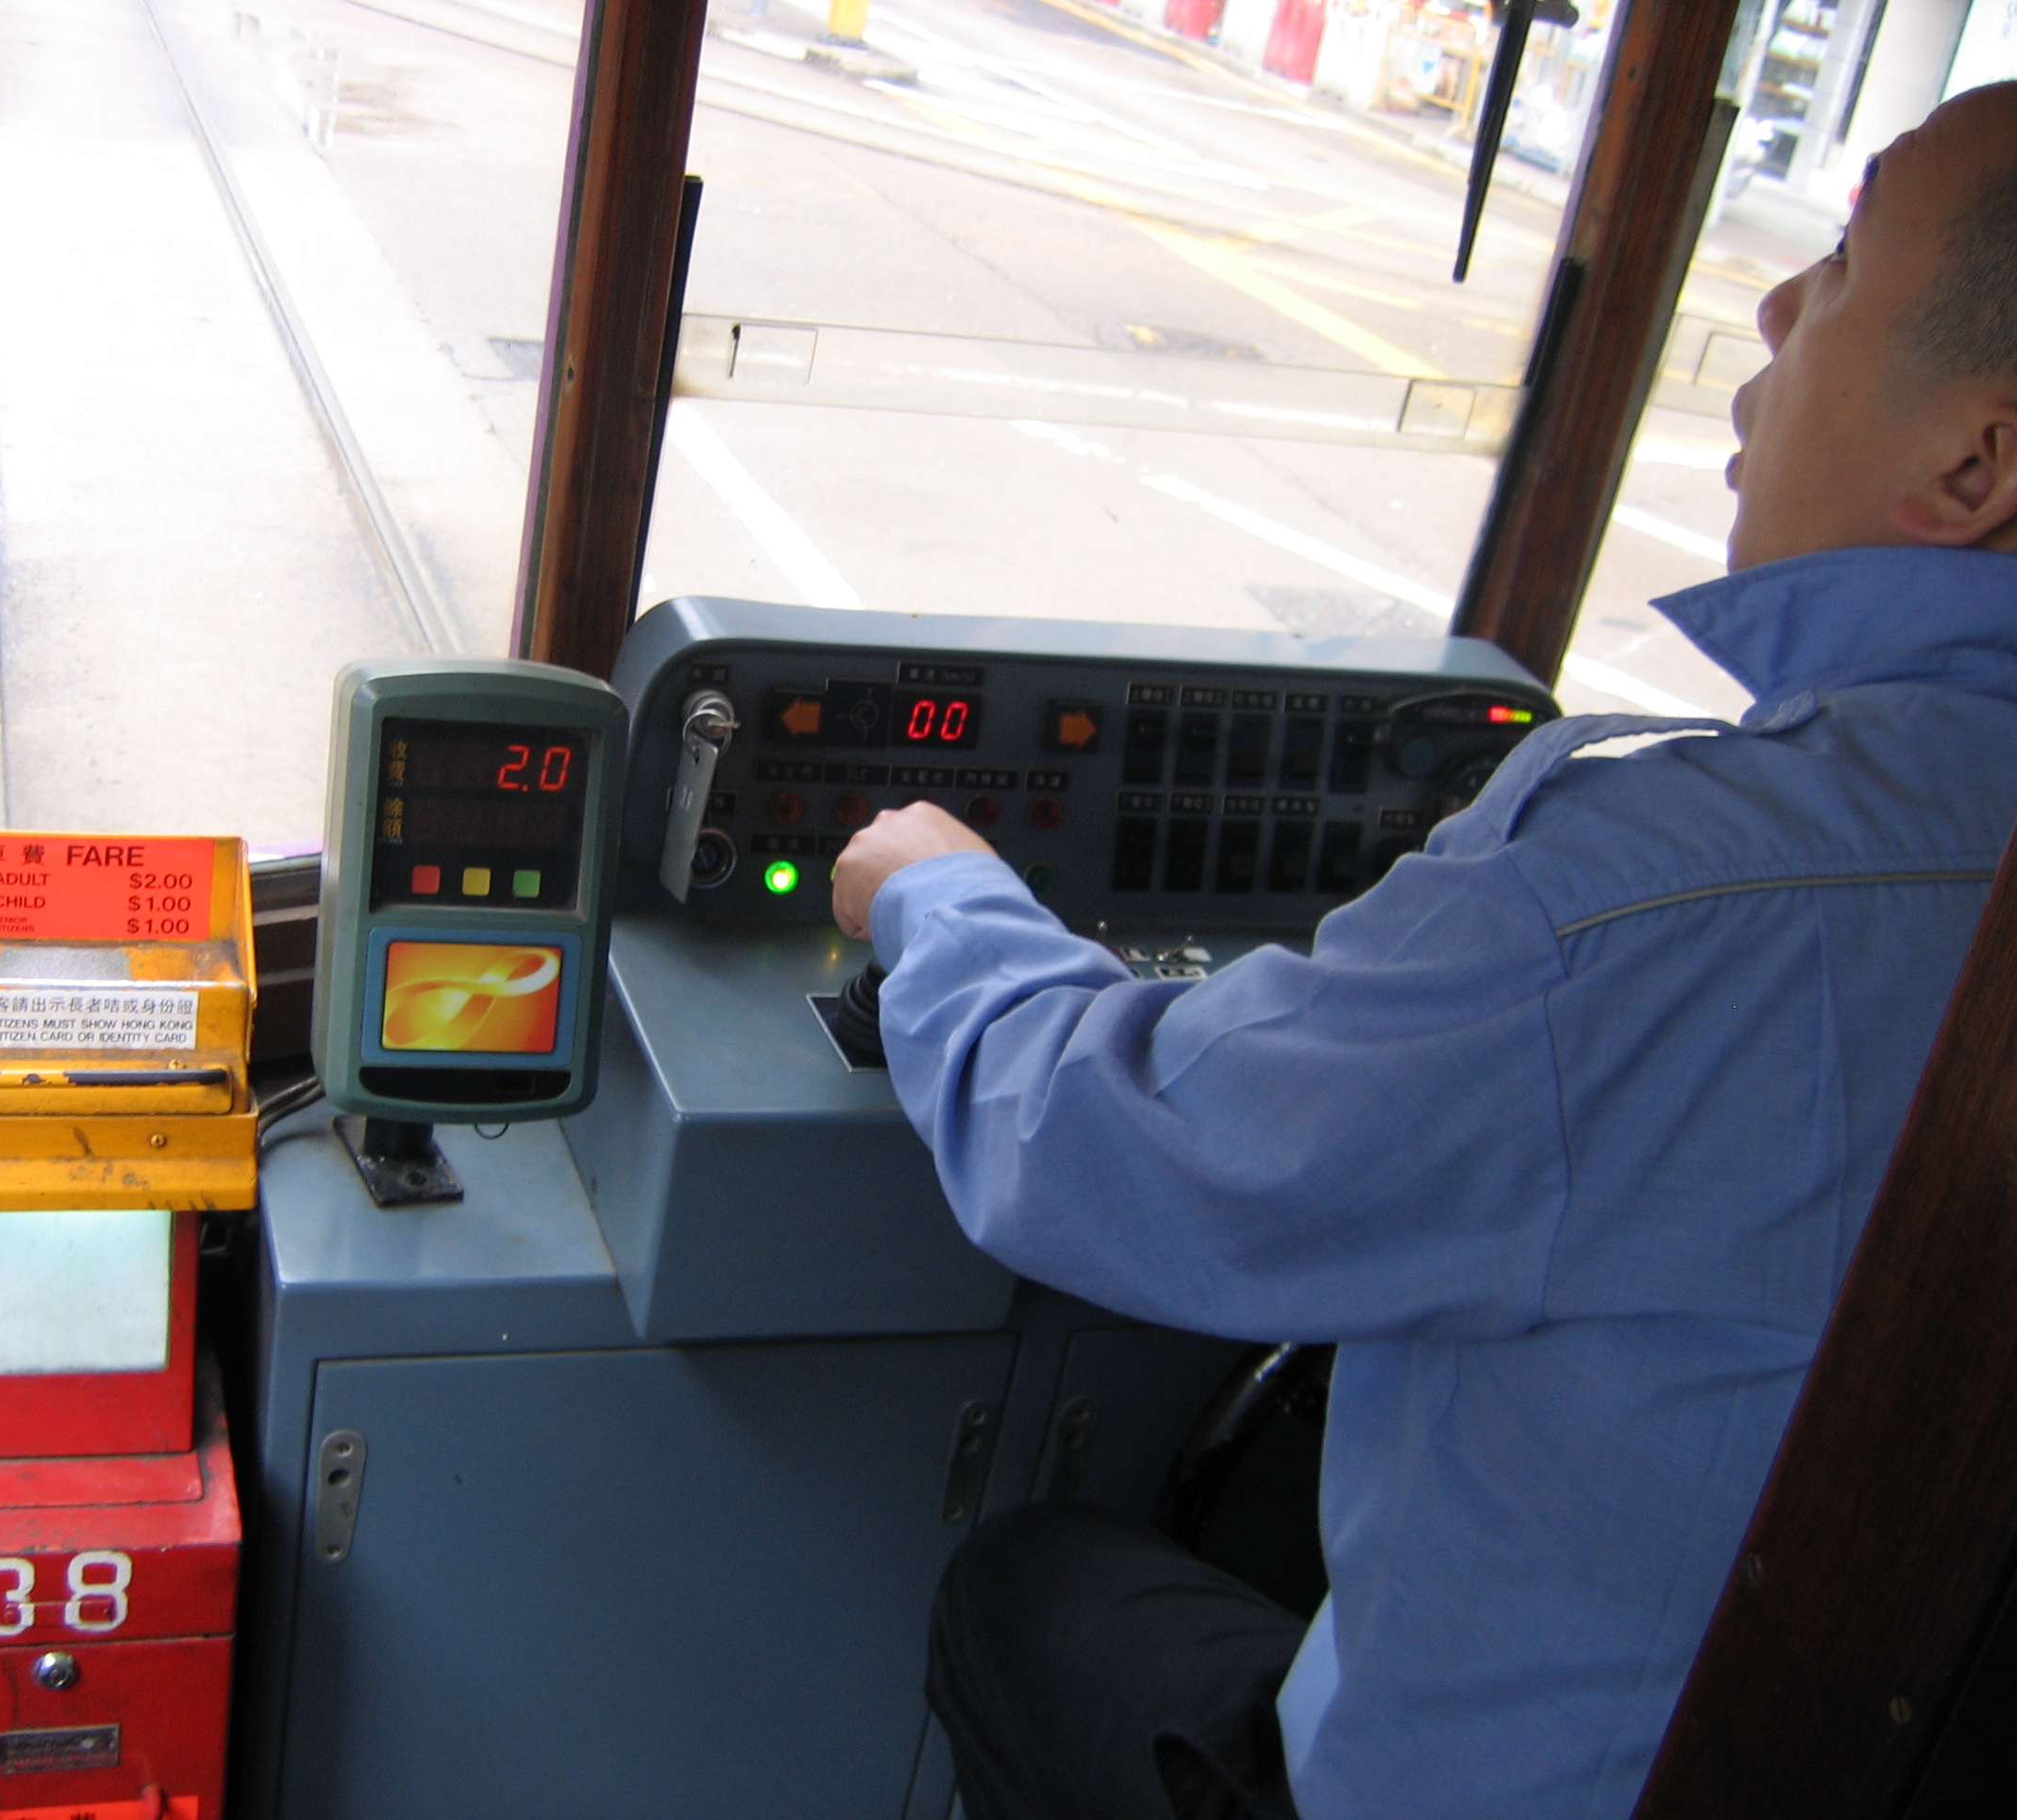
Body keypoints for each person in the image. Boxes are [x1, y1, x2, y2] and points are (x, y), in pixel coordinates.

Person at [829, 82, 2017, 1820]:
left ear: (1979, 460)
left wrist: (939, 900)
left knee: (1033, 1591)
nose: (1770, 303)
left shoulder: (1666, 888)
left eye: (1839, 258)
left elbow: (1120, 1153)